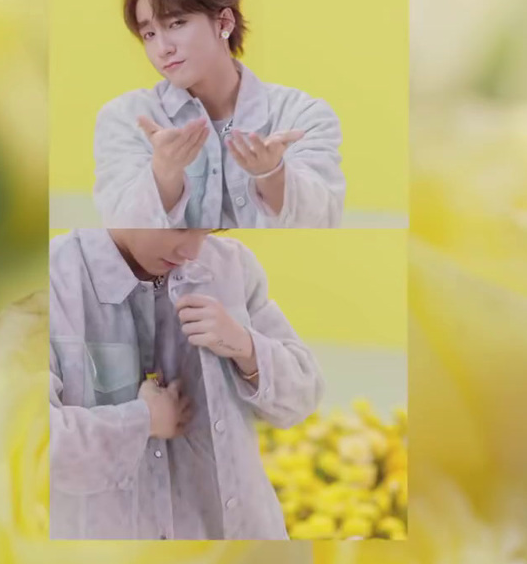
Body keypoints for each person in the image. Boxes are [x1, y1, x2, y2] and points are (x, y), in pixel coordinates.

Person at [48, 228, 324, 540]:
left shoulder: (230, 268)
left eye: (208, 229)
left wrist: (245, 346)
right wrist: (143, 420)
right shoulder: (54, 278)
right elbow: (35, 442)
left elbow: (303, 395)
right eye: (179, 227)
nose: (192, 251)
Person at [92, 0, 346, 228]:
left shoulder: (301, 115)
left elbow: (323, 221)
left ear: (224, 23)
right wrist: (164, 172)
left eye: (176, 23)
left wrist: (272, 174)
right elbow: (121, 232)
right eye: (149, 34)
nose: (162, 48)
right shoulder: (128, 118)